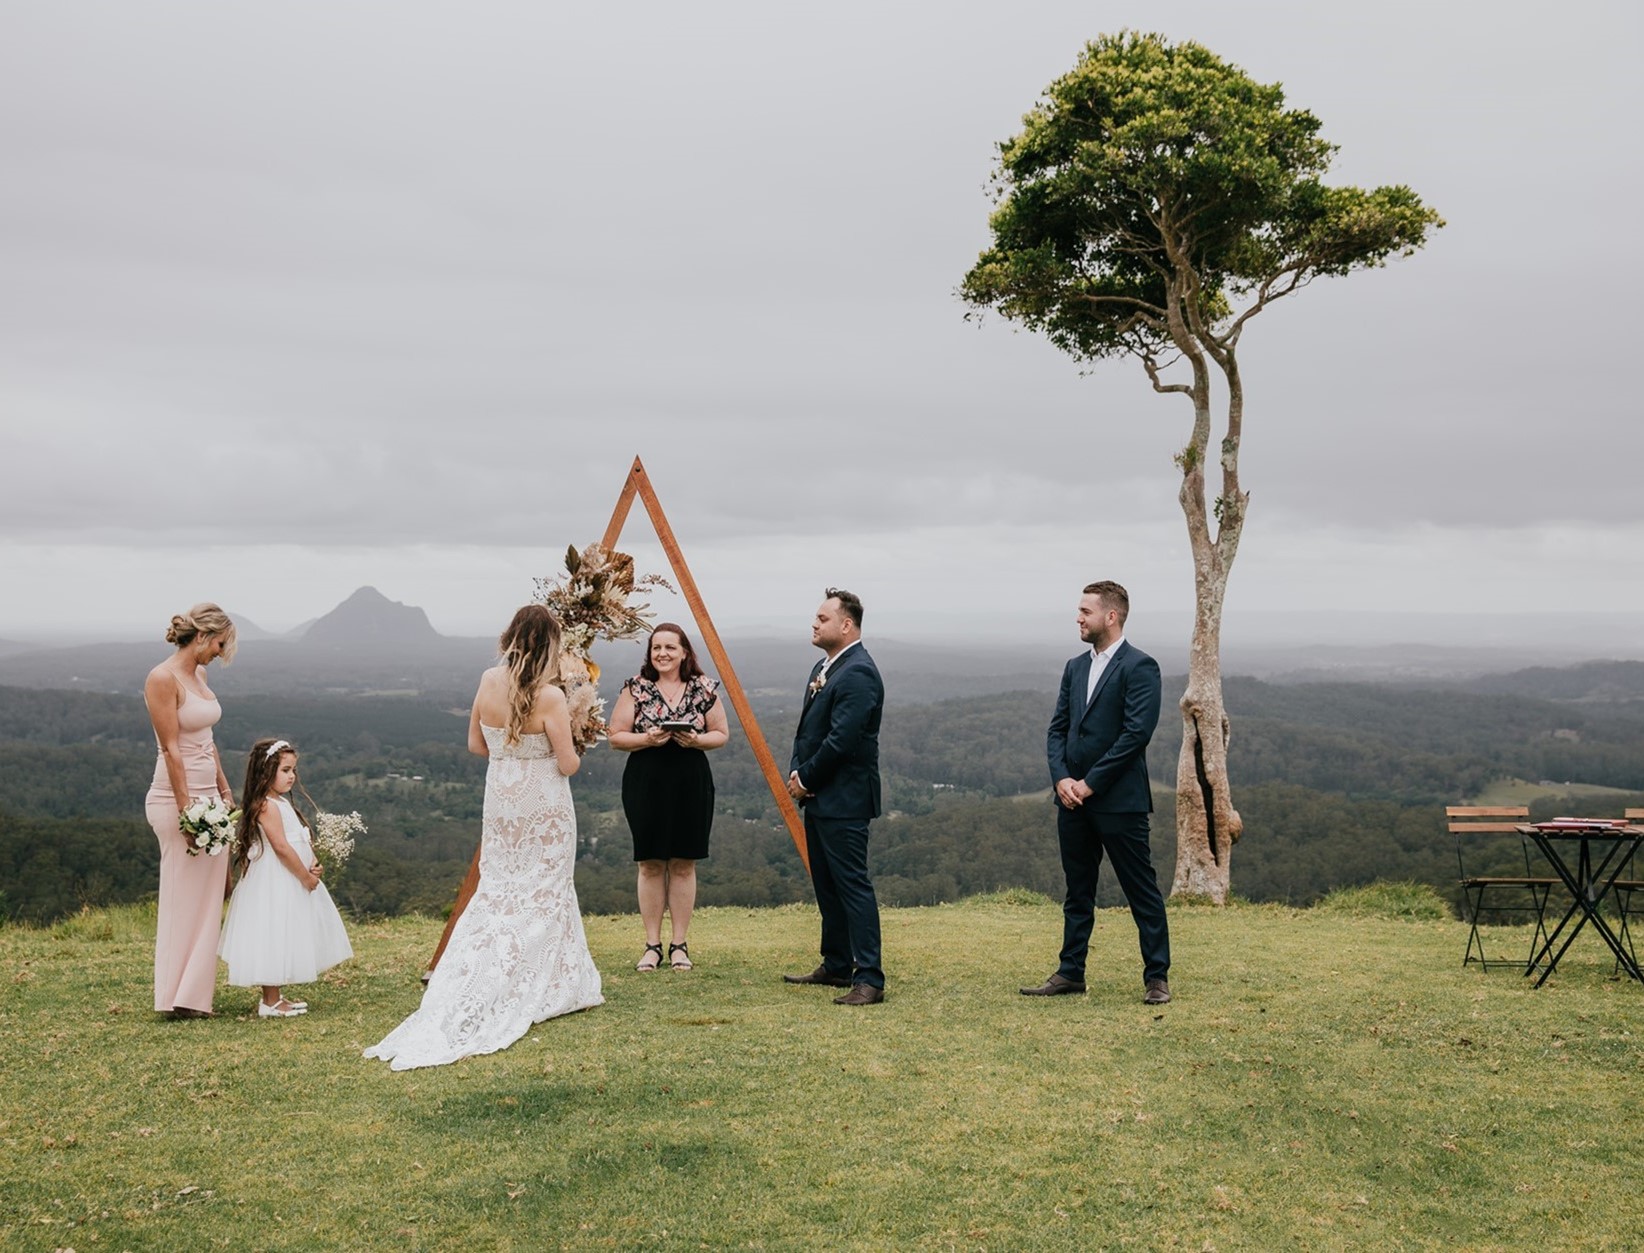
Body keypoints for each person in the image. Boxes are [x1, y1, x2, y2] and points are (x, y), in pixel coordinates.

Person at [365, 605, 603, 1069]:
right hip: (544, 803)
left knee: (500, 889)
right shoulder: (551, 696)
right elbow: (568, 764)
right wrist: (577, 734)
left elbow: (476, 745)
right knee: (545, 889)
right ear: (551, 645)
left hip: (502, 799)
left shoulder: (487, 681)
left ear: (511, 637)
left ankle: (482, 972)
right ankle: (548, 984)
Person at [1022, 580, 1171, 1005]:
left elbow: (1135, 735)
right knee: (1078, 890)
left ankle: (1156, 977)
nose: (1078, 618)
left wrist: (1090, 783)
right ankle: (1071, 972)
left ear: (1111, 616)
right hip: (1071, 801)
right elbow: (1058, 729)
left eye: (1085, 611)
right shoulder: (1074, 667)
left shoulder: (1141, 667)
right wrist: (1062, 779)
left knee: (1140, 889)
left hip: (1119, 802)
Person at [782, 588, 886, 1005]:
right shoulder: (824, 666)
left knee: (852, 885)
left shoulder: (859, 671)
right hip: (820, 796)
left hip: (844, 798)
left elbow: (842, 740)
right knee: (826, 884)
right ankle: (837, 964)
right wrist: (797, 769)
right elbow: (808, 730)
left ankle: (871, 977)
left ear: (847, 625)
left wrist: (805, 778)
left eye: (822, 618)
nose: (814, 623)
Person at [607, 623, 730, 972]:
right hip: (646, 778)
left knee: (683, 861)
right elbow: (615, 736)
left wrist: (697, 741)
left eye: (669, 648)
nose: (662, 653)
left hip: (691, 778)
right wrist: (646, 739)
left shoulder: (703, 687)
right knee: (649, 862)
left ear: (685, 652)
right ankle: (651, 945)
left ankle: (679, 944)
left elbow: (721, 733)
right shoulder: (636, 688)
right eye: (656, 647)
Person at [143, 602, 237, 1018]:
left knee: (210, 895)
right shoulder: (162, 679)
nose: (219, 653)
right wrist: (188, 814)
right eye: (218, 644)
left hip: (210, 798)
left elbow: (207, 740)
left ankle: (194, 996)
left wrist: (223, 788)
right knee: (183, 897)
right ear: (202, 637)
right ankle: (172, 997)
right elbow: (171, 749)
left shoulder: (198, 673)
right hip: (175, 799)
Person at [217, 739, 354, 1017]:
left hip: (287, 877)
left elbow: (297, 839)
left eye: (294, 770)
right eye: (285, 770)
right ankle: (269, 1001)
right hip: (275, 880)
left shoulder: (278, 801)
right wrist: (304, 877)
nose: (292, 776)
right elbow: (280, 846)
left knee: (284, 932)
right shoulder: (266, 805)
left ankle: (276, 996)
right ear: (266, 772)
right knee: (273, 932)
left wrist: (313, 864)